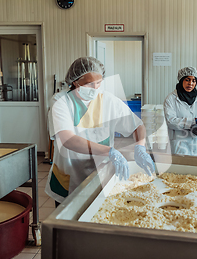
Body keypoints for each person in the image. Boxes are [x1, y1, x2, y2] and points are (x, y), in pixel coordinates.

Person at [45, 56, 155, 204]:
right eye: (89, 84)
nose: (95, 88)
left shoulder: (107, 100)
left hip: (100, 173)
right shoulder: (60, 101)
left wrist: (140, 147)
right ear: (75, 82)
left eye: (99, 82)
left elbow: (137, 125)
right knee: (69, 220)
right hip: (70, 175)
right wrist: (109, 151)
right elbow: (68, 139)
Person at [164, 66, 197, 157]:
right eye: (187, 80)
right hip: (180, 145)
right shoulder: (171, 99)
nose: (190, 83)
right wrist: (193, 121)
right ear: (181, 80)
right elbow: (171, 122)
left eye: (194, 80)